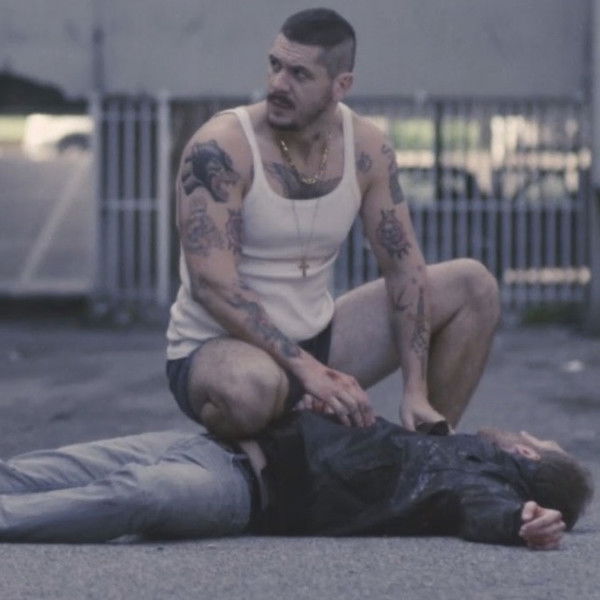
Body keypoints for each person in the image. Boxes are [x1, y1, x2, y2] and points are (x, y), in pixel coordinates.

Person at [166, 8, 501, 440]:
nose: (278, 84)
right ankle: (276, 434)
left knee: (474, 285)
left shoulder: (367, 149)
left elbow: (404, 269)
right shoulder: (222, 147)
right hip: (219, 350)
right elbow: (213, 286)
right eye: (275, 65)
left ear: (341, 85)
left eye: (299, 74)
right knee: (252, 388)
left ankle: (428, 454)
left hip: (317, 337)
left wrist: (415, 389)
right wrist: (310, 373)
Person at [0, 412, 592, 548]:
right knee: (34, 472)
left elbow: (480, 505)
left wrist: (519, 522)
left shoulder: (474, 476)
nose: (525, 431)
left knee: (138, 496)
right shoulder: (450, 446)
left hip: (241, 490)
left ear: (526, 456)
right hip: (214, 440)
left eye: (539, 440)